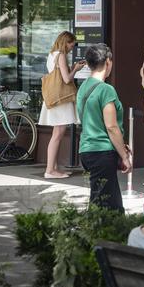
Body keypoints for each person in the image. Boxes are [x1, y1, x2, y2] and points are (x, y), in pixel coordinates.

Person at [77, 44, 131, 212]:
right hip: (102, 152)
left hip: (87, 150)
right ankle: (103, 235)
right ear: (108, 61)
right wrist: (124, 156)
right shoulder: (106, 90)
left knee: (100, 199)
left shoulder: (83, 87)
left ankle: (95, 232)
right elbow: (111, 126)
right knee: (109, 204)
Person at [38, 31, 86, 179]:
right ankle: (50, 170)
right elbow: (66, 79)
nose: (72, 47)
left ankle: (54, 168)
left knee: (56, 134)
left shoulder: (52, 54)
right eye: (72, 43)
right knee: (58, 135)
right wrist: (76, 69)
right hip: (61, 100)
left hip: (54, 98)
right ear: (66, 42)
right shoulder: (61, 55)